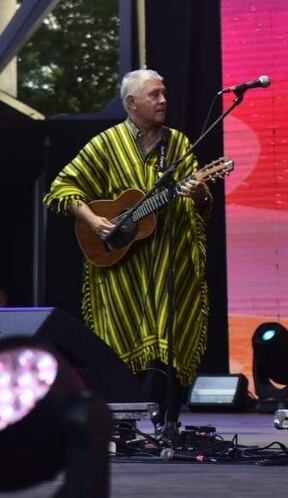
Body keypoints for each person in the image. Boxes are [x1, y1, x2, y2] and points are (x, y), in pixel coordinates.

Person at [44, 69, 211, 428]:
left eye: (164, 93)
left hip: (169, 263)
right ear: (132, 103)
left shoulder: (178, 145)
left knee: (168, 336)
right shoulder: (106, 144)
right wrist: (93, 220)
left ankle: (167, 423)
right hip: (121, 268)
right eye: (155, 95)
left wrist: (199, 192)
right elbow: (62, 188)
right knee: (119, 344)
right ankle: (123, 424)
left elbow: (200, 201)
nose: (164, 100)